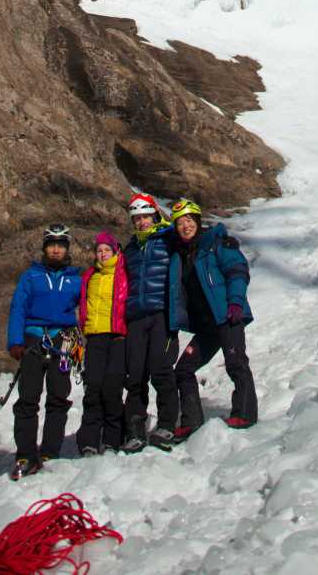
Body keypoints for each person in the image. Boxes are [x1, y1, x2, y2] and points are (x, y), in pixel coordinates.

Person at [169, 199, 258, 439]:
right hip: (206, 325)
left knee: (236, 362)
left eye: (189, 220)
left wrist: (236, 302)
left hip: (227, 315)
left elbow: (237, 270)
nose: (185, 226)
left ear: (197, 221)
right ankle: (192, 421)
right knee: (184, 369)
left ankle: (245, 413)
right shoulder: (180, 253)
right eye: (180, 222)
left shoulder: (216, 244)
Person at [6, 223, 81, 479]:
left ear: (67, 248)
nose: (56, 250)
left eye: (61, 245)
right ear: (45, 248)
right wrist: (15, 341)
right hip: (34, 339)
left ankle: (50, 451)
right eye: (52, 245)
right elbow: (18, 307)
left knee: (59, 398)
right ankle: (25, 453)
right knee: (28, 398)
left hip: (65, 339)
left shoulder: (76, 278)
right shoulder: (31, 276)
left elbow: (91, 307)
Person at [121, 192, 179, 453]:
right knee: (135, 375)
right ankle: (135, 429)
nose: (142, 222)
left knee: (161, 369)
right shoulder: (132, 248)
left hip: (161, 313)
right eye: (137, 218)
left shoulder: (168, 238)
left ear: (155, 214)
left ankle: (167, 424)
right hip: (136, 315)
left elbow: (193, 238)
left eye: (145, 216)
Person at [76, 230, 128, 456]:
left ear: (115, 250)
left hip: (117, 336)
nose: (103, 254)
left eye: (107, 249)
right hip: (95, 336)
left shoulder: (124, 272)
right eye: (99, 250)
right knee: (93, 387)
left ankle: (112, 439)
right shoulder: (90, 276)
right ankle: (88, 440)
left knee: (112, 388)